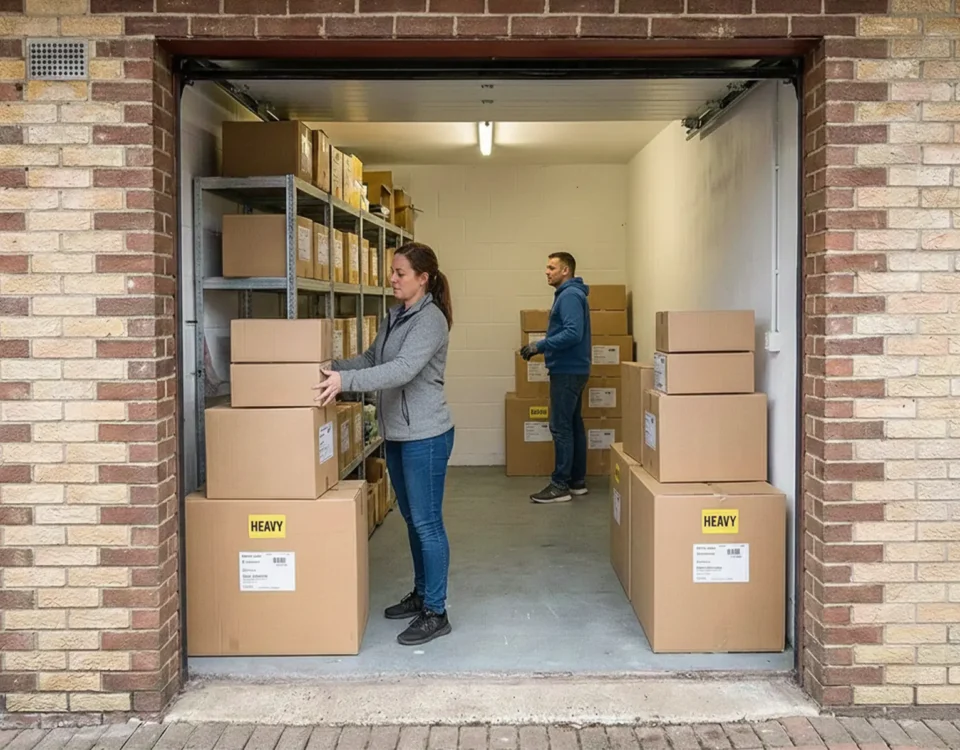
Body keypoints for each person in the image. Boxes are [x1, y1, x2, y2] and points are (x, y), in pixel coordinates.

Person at [314, 242, 455, 647]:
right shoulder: (396, 316)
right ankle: (422, 594)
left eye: (399, 273)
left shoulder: (430, 321)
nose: (391, 279)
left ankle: (436, 611)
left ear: (423, 279)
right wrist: (332, 369)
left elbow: (401, 371)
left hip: (426, 436)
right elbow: (373, 358)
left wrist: (346, 385)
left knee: (428, 524)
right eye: (392, 272)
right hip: (397, 434)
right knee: (412, 521)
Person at [520, 252, 591, 504]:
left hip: (568, 370)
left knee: (560, 427)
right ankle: (577, 481)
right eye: (546, 267)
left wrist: (540, 345)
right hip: (574, 369)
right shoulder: (570, 294)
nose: (547, 272)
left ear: (566, 271)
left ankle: (560, 484)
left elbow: (573, 332)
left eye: (552, 267)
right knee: (572, 425)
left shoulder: (570, 295)